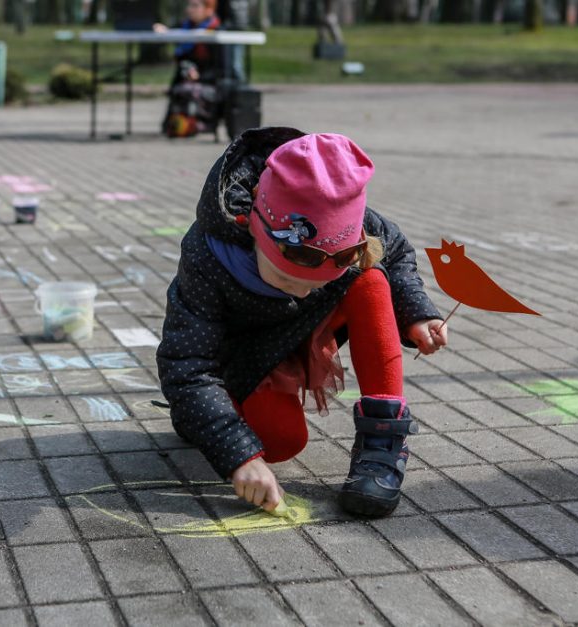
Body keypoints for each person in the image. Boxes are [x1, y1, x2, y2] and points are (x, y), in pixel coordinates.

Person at [156, 129, 447, 518]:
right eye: (288, 280)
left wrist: (416, 312)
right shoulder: (208, 255)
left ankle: (383, 445)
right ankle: (206, 414)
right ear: (254, 234)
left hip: (303, 331)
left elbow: (394, 251)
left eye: (317, 282)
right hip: (247, 358)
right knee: (279, 442)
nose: (303, 292)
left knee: (372, 279)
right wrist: (239, 456)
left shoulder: (348, 225)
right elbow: (186, 366)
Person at [153, 0, 221, 81]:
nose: (189, 10)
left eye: (195, 6)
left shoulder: (217, 32)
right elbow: (170, 31)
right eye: (189, 5)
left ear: (209, 9)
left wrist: (199, 77)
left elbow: (220, 70)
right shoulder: (185, 26)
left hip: (209, 84)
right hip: (184, 81)